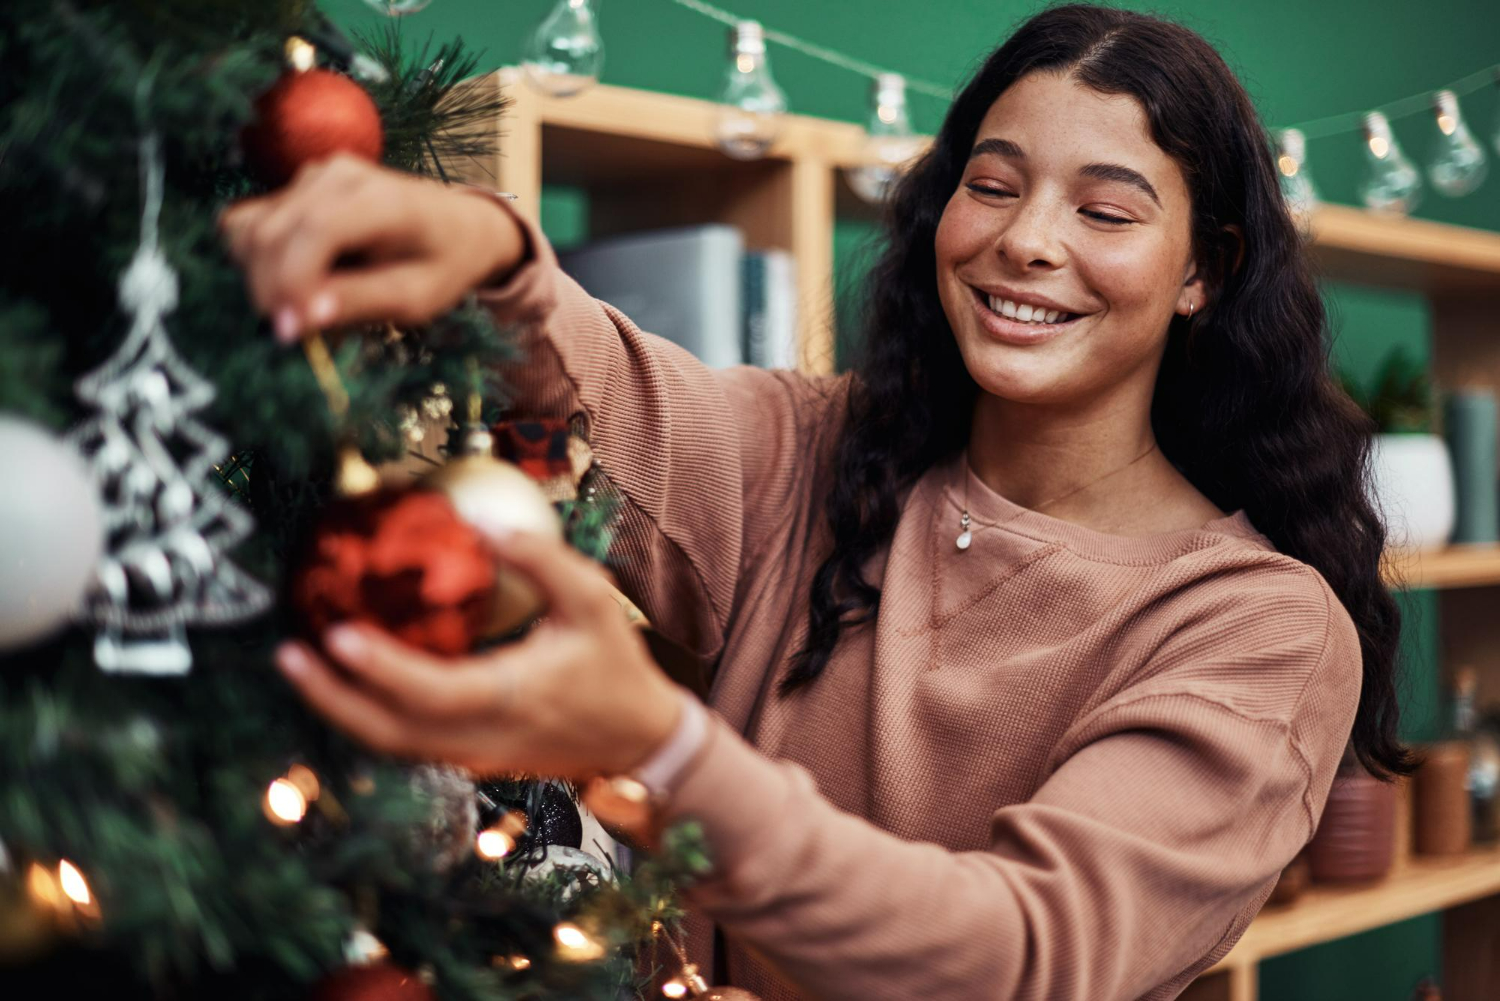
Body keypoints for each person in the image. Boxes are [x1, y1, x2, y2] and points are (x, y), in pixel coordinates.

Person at [221, 5, 1411, 998]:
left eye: (1105, 211)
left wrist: (658, 742)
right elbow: (603, 386)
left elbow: (1018, 954)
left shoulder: (1260, 624)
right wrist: (485, 251)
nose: (1027, 242)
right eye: (992, 187)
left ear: (1204, 268)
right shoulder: (822, 450)